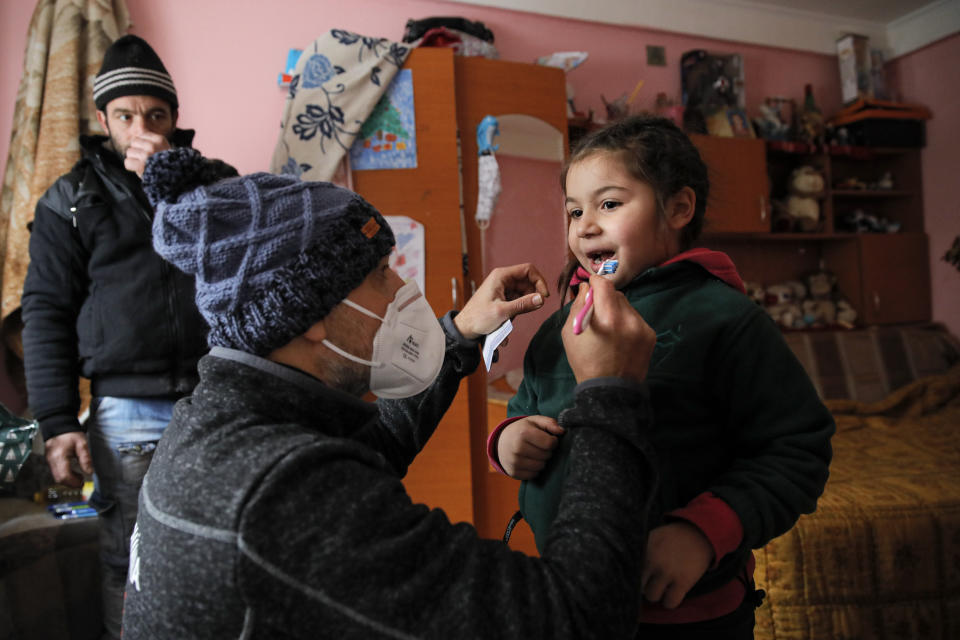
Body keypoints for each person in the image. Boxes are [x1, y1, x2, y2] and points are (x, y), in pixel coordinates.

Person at [121, 147, 661, 639]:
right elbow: (577, 618)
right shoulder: (277, 494)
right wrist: (608, 389)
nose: (402, 289)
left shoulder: (216, 423)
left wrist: (458, 335)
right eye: (381, 274)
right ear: (310, 313)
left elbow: (370, 449)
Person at [488, 115, 835, 639]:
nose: (584, 226)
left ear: (678, 208)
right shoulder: (558, 326)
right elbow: (524, 407)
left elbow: (796, 452)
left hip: (689, 615)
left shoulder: (727, 320)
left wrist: (702, 534)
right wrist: (508, 441)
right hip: (567, 596)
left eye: (609, 204)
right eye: (574, 211)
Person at [20, 35, 234, 639]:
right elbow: (46, 313)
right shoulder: (69, 199)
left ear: (174, 117)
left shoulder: (216, 183)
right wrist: (58, 421)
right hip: (124, 411)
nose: (142, 126)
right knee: (129, 560)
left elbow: (244, 264)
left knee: (223, 547)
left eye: (156, 114)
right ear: (103, 120)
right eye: (126, 115)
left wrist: (174, 184)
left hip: (215, 398)